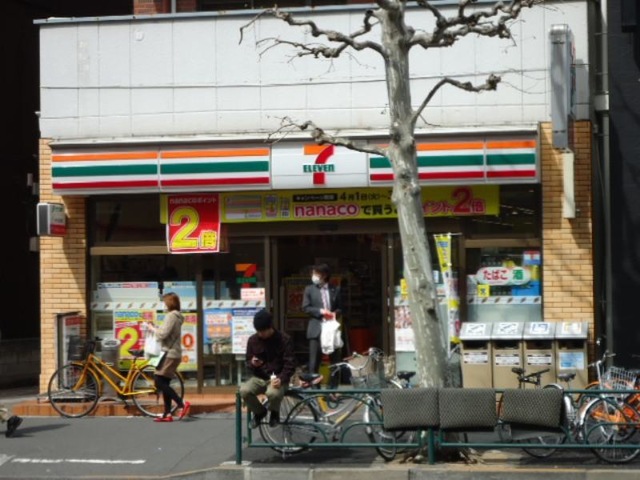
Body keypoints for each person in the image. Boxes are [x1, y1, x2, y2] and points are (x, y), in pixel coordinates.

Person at [240, 309, 296, 428]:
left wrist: (281, 378)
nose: (261, 334)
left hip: (278, 378)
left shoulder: (284, 339)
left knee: (272, 393)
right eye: (258, 331)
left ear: (270, 327)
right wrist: (252, 363)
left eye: (263, 331)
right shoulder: (253, 340)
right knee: (244, 390)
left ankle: (274, 413)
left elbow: (290, 364)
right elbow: (248, 361)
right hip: (259, 377)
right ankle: (260, 412)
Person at [146, 291, 190, 422]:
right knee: (164, 382)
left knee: (158, 381)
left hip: (169, 353)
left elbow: (162, 335)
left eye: (164, 302)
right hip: (173, 353)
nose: (163, 305)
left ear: (169, 303)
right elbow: (166, 332)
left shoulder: (171, 316)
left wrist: (151, 328)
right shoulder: (176, 317)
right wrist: (156, 327)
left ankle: (181, 403)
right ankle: (167, 413)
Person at [302, 263, 343, 389]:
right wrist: (321, 311)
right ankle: (315, 390)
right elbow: (305, 307)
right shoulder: (309, 289)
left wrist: (334, 314)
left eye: (316, 273)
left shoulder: (335, 289)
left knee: (335, 362)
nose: (313, 276)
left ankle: (332, 390)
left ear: (324, 275)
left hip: (331, 328)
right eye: (313, 273)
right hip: (316, 328)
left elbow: (341, 308)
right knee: (314, 362)